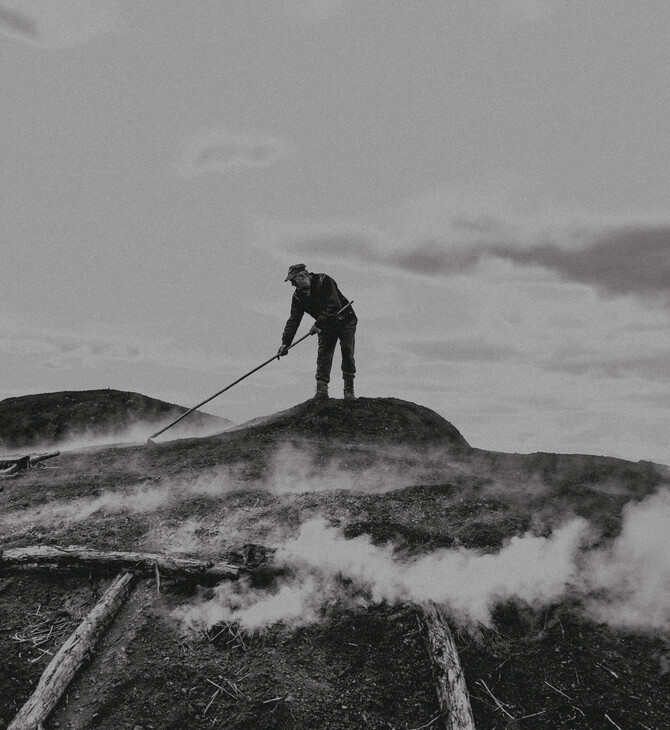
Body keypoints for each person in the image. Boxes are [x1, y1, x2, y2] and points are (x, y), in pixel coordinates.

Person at [277, 264, 357, 401]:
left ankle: (348, 390)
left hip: (345, 320)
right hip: (326, 326)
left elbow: (334, 304)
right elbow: (294, 319)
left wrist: (318, 324)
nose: (292, 285)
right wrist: (285, 342)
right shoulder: (298, 296)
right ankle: (321, 391)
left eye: (293, 281)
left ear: (302, 276)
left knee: (347, 351)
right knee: (323, 355)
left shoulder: (324, 280)